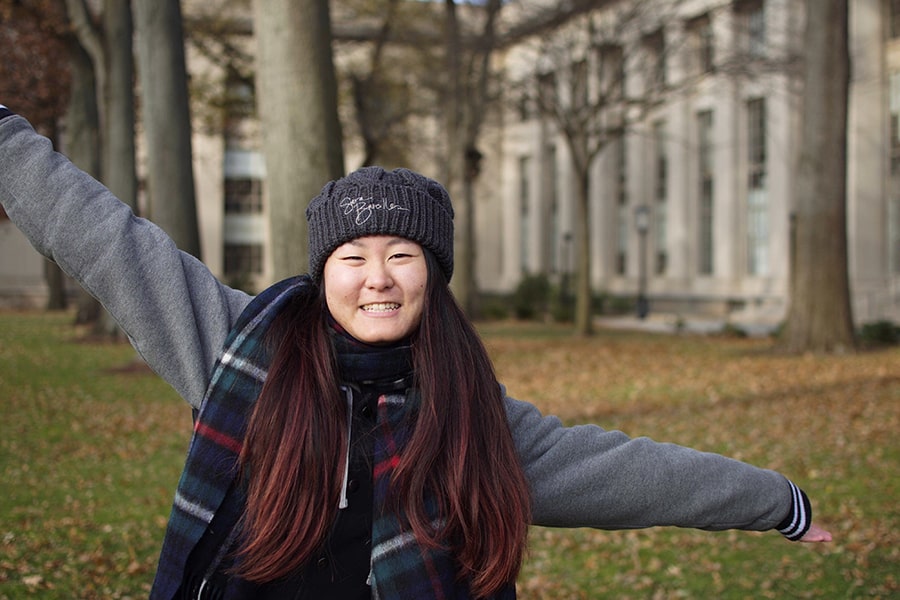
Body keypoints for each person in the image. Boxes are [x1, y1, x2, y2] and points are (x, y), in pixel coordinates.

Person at [0, 105, 831, 600]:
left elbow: (630, 473)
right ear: (322, 270)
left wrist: (773, 500)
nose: (377, 280)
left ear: (433, 276)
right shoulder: (238, 351)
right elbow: (108, 241)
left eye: (402, 256)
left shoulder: (472, 412)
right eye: (352, 258)